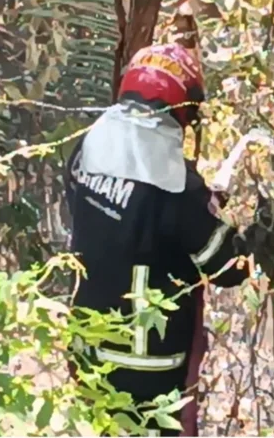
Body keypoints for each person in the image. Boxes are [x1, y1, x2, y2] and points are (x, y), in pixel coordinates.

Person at [65, 43, 256, 437]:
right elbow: (226, 269)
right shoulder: (179, 189)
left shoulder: (84, 152)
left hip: (88, 343)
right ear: (179, 111)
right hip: (147, 358)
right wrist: (247, 235)